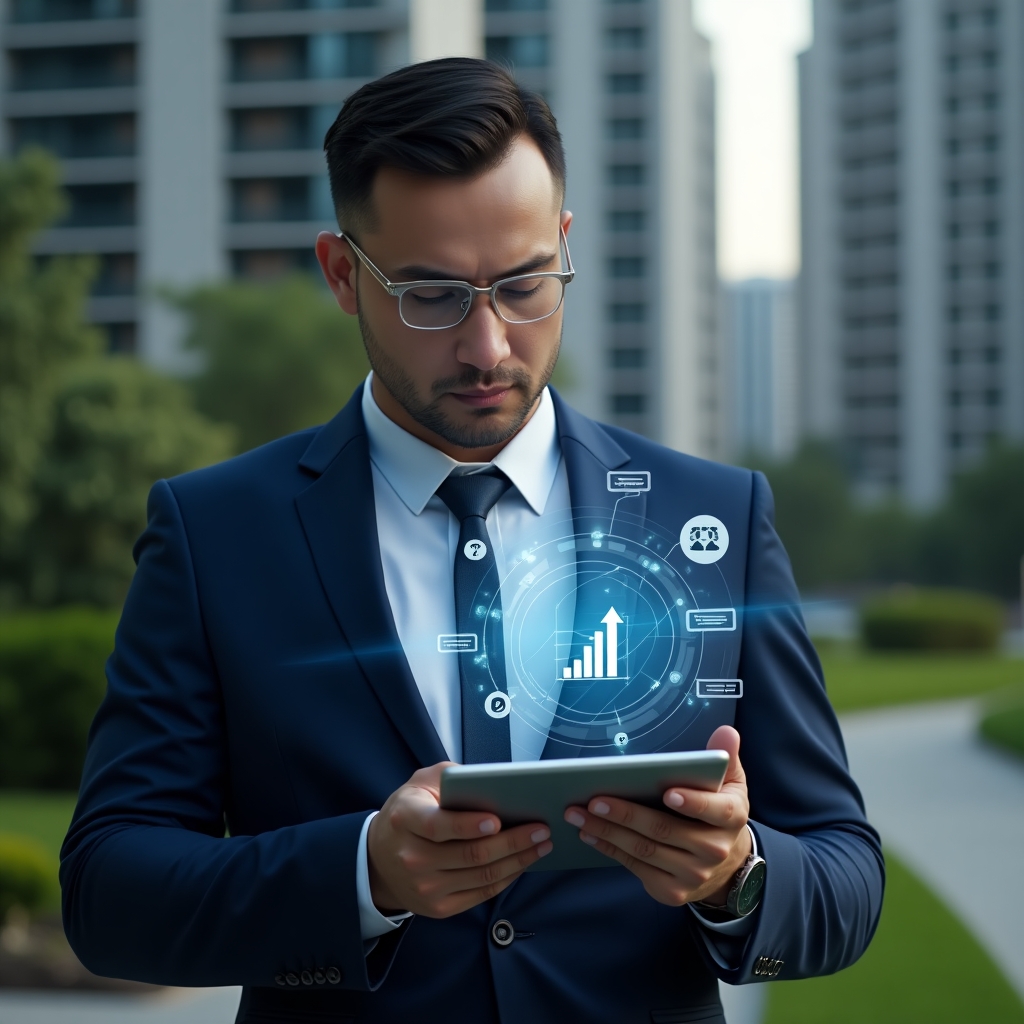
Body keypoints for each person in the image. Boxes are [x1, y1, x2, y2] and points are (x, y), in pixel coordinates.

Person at [60, 58, 883, 1024]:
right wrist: (362, 873)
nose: (489, 346)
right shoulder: (215, 534)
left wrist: (735, 875)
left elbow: (844, 875)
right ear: (340, 274)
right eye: (433, 295)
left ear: (566, 244)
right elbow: (109, 893)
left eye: (527, 284)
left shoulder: (716, 518)